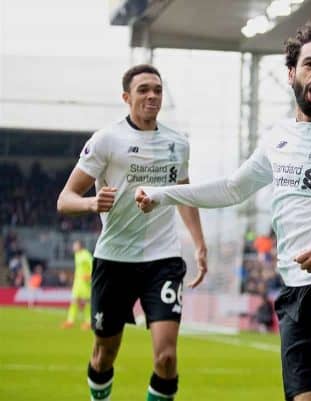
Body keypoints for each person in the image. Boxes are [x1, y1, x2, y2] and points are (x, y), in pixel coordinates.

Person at [135, 15, 311, 401]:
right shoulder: (279, 137)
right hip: (294, 289)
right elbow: (234, 189)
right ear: (291, 73)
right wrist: (165, 193)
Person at [57, 64, 208, 401]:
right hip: (114, 260)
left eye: (157, 89)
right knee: (104, 354)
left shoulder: (178, 144)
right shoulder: (106, 140)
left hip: (163, 259)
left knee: (167, 357)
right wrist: (93, 203)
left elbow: (183, 194)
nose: (152, 95)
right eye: (143, 90)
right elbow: (64, 200)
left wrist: (199, 244)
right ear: (127, 97)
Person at [62, 240, 93, 330]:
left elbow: (93, 265)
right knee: (74, 301)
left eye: (75, 245)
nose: (73, 247)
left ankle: (88, 322)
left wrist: (90, 275)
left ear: (80, 246)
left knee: (86, 302)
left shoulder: (86, 254)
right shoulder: (77, 255)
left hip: (85, 282)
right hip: (78, 282)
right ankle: (70, 321)